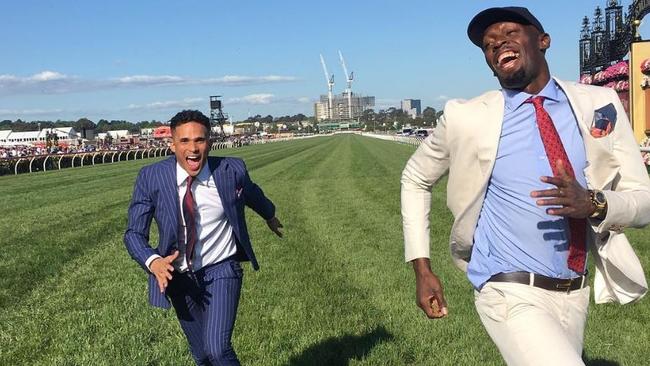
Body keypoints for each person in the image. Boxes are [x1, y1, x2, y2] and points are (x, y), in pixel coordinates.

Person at [401, 6, 650, 366]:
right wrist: (421, 268)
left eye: (509, 33)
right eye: (488, 44)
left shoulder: (599, 104)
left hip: (575, 291)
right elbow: (415, 178)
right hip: (507, 289)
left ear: (543, 41)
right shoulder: (467, 117)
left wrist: (595, 204)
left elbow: (643, 200)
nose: (497, 43)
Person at [124, 110, 283, 365]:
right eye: (185, 141)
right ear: (172, 144)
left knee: (218, 349)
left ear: (209, 141)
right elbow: (133, 233)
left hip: (222, 269)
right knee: (202, 356)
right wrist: (153, 261)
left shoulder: (231, 170)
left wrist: (270, 214)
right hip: (179, 279)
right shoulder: (151, 177)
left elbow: (252, 194)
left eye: (199, 140)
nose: (193, 148)